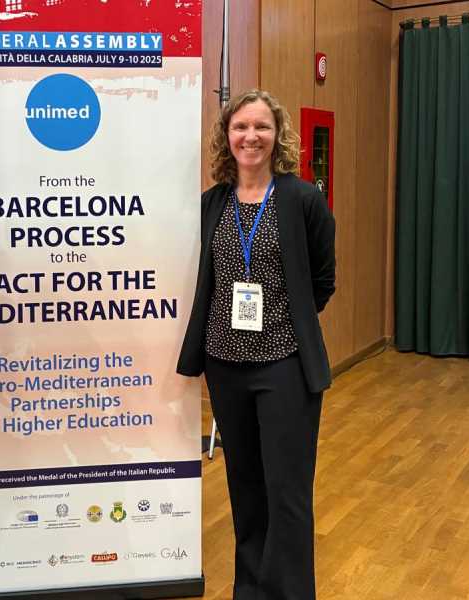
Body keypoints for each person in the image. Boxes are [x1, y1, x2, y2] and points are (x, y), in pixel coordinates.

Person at [177, 89, 335, 600]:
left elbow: (323, 280)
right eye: (241, 127)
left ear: (277, 135)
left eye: (261, 127)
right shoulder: (212, 203)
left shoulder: (302, 198)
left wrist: (285, 325)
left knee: (286, 492)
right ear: (228, 136)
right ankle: (251, 589)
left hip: (285, 365)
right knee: (245, 486)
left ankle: (288, 593)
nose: (251, 136)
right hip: (225, 366)